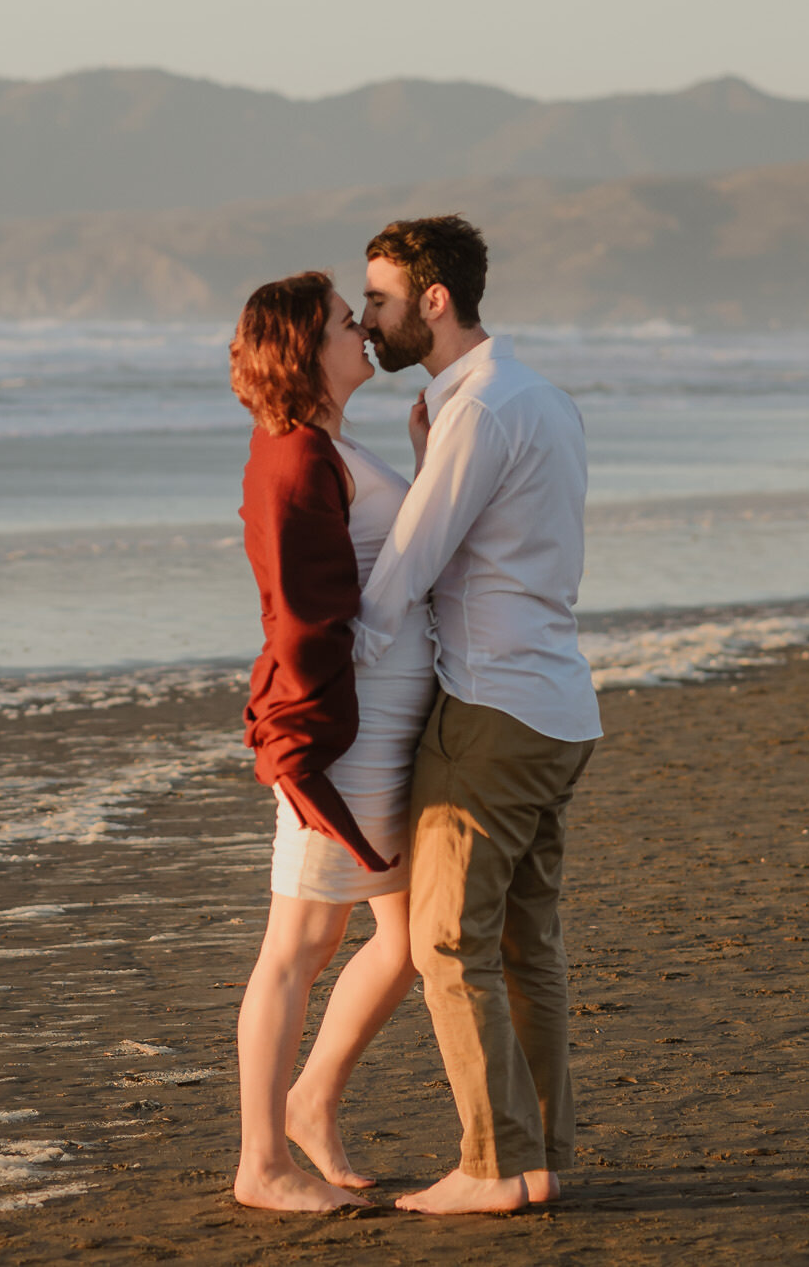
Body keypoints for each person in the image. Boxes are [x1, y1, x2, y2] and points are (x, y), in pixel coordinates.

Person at [351, 216, 604, 1216]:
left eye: (377, 298)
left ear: (434, 301)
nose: (366, 318)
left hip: (492, 712)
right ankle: (539, 1159)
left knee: (448, 941)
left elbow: (405, 569)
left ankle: (493, 1166)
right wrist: (428, 448)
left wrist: (341, 677)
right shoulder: (536, 398)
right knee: (522, 945)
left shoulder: (483, 411)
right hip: (555, 706)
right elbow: (485, 543)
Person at [227, 270, 439, 1212]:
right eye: (348, 323)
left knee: (407, 938)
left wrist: (427, 463)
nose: (364, 331)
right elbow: (294, 614)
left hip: (387, 723)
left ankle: (312, 1099)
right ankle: (261, 1162)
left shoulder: (331, 443)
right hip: (333, 737)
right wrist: (293, 746)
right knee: (299, 944)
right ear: (305, 348)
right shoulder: (292, 454)